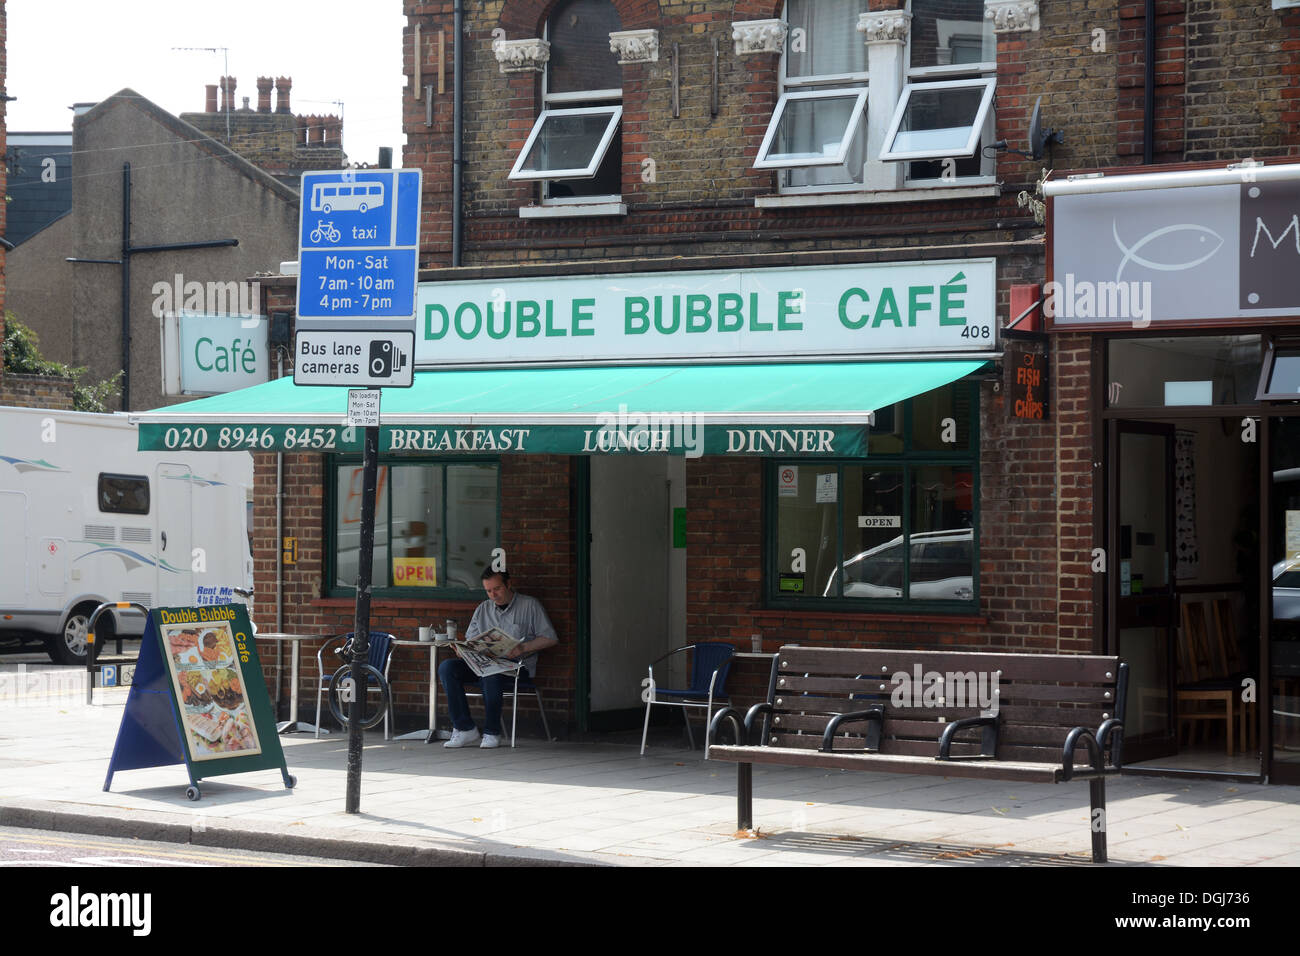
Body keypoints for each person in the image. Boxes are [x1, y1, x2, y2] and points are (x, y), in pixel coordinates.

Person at [438, 568, 558, 749]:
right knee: (447, 667)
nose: (493, 595)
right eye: (488, 591)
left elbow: (550, 638)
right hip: (483, 664)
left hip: (517, 667)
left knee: (491, 675)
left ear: (509, 584)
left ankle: (492, 732)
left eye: (497, 589)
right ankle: (464, 728)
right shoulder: (483, 608)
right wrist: (464, 650)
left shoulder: (530, 605)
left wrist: (523, 647)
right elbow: (471, 639)